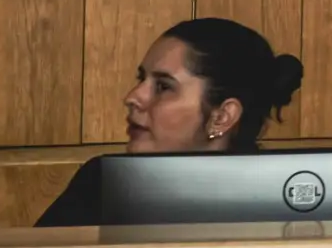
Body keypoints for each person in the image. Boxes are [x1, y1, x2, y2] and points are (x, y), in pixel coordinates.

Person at [34, 18, 305, 228]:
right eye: (142, 80)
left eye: (163, 86)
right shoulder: (105, 184)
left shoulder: (282, 200)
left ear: (222, 117)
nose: (133, 97)